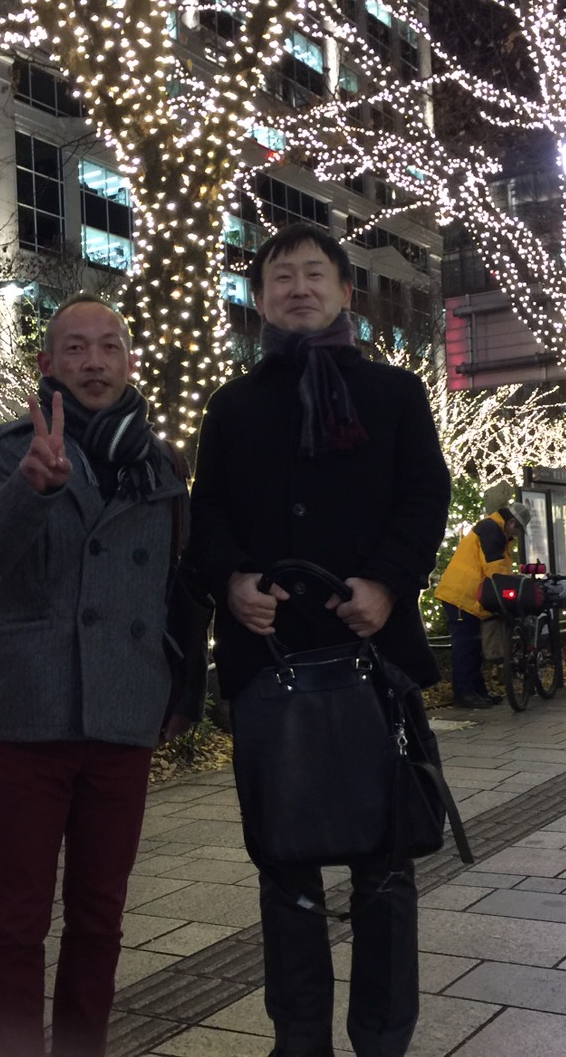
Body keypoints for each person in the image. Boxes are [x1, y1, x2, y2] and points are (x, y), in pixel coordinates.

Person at [188, 223, 451, 1057]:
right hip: (269, 663)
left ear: (344, 290)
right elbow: (206, 512)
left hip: (374, 660)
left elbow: (424, 496)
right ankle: (298, 1042)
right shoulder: (232, 405)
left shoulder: (395, 393)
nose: (297, 288)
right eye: (281, 277)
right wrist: (232, 580)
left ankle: (383, 1039)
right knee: (285, 873)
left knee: (386, 871)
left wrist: (388, 582)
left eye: (313, 274)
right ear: (260, 299)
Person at [0, 294, 195, 1057]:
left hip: (123, 712)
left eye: (109, 346)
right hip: (30, 713)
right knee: (16, 920)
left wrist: (183, 688)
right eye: (76, 348)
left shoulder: (161, 464)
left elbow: (180, 587)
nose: (94, 362)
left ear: (129, 360)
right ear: (47, 363)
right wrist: (32, 489)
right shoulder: (10, 450)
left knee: (100, 916)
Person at [433, 502, 531, 708]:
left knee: (473, 646)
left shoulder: (493, 529)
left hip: (467, 597)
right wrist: (510, 593)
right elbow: (496, 571)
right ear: (511, 522)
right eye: (518, 530)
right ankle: (464, 694)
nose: (516, 535)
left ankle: (477, 691)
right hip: (461, 597)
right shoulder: (492, 531)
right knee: (465, 647)